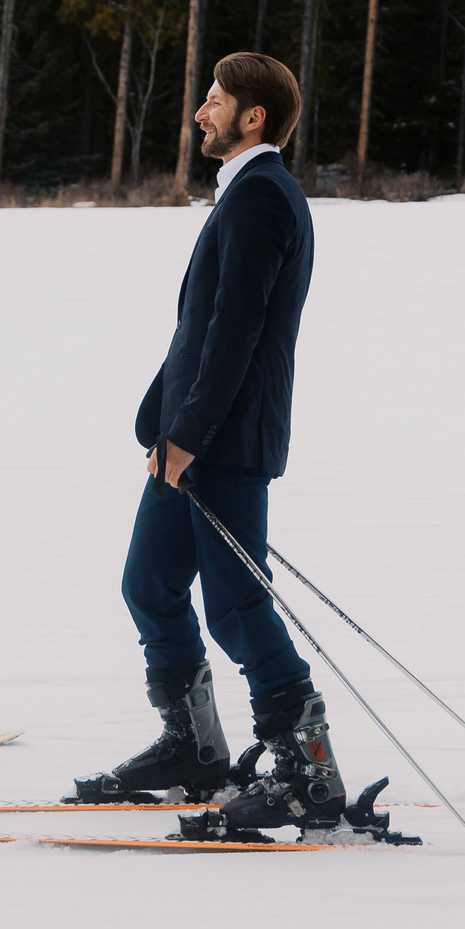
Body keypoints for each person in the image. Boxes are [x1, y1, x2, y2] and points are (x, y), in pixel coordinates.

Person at [71, 51, 347, 833]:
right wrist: (160, 422)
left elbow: (237, 331)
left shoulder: (263, 196)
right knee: (149, 583)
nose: (201, 111)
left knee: (235, 604)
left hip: (226, 438)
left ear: (252, 118)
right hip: (191, 438)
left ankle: (309, 773)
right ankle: (193, 749)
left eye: (216, 100)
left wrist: (189, 433)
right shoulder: (242, 194)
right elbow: (200, 328)